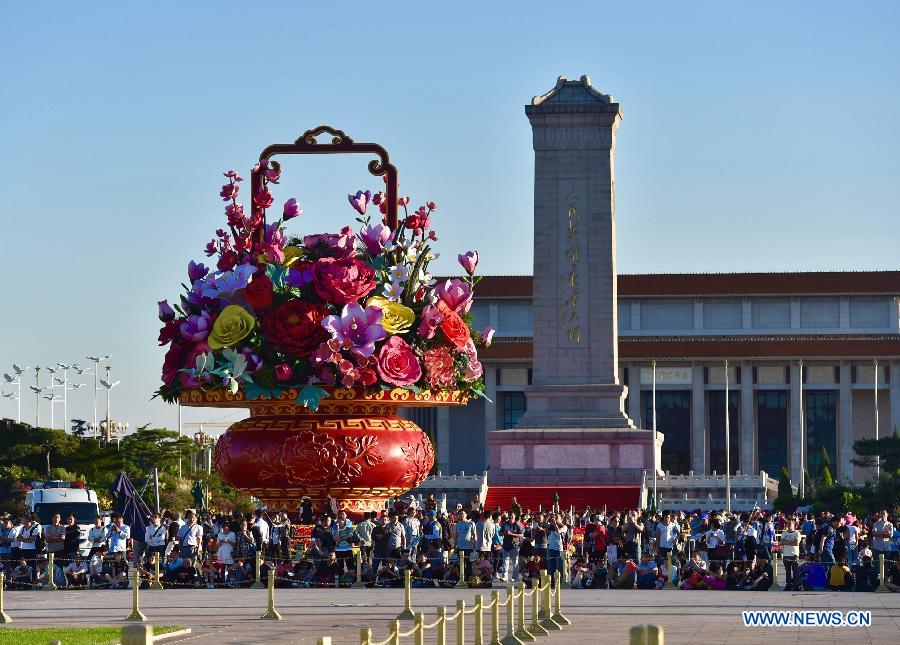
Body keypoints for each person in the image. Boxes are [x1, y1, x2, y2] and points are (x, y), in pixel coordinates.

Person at [780, 518, 801, 590]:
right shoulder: (784, 533)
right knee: (787, 571)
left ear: (794, 525)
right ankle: (788, 585)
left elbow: (796, 543)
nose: (788, 525)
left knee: (795, 571)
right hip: (786, 554)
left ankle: (796, 586)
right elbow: (781, 542)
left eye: (790, 523)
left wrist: (787, 542)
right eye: (787, 523)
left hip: (794, 554)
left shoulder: (797, 533)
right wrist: (791, 542)